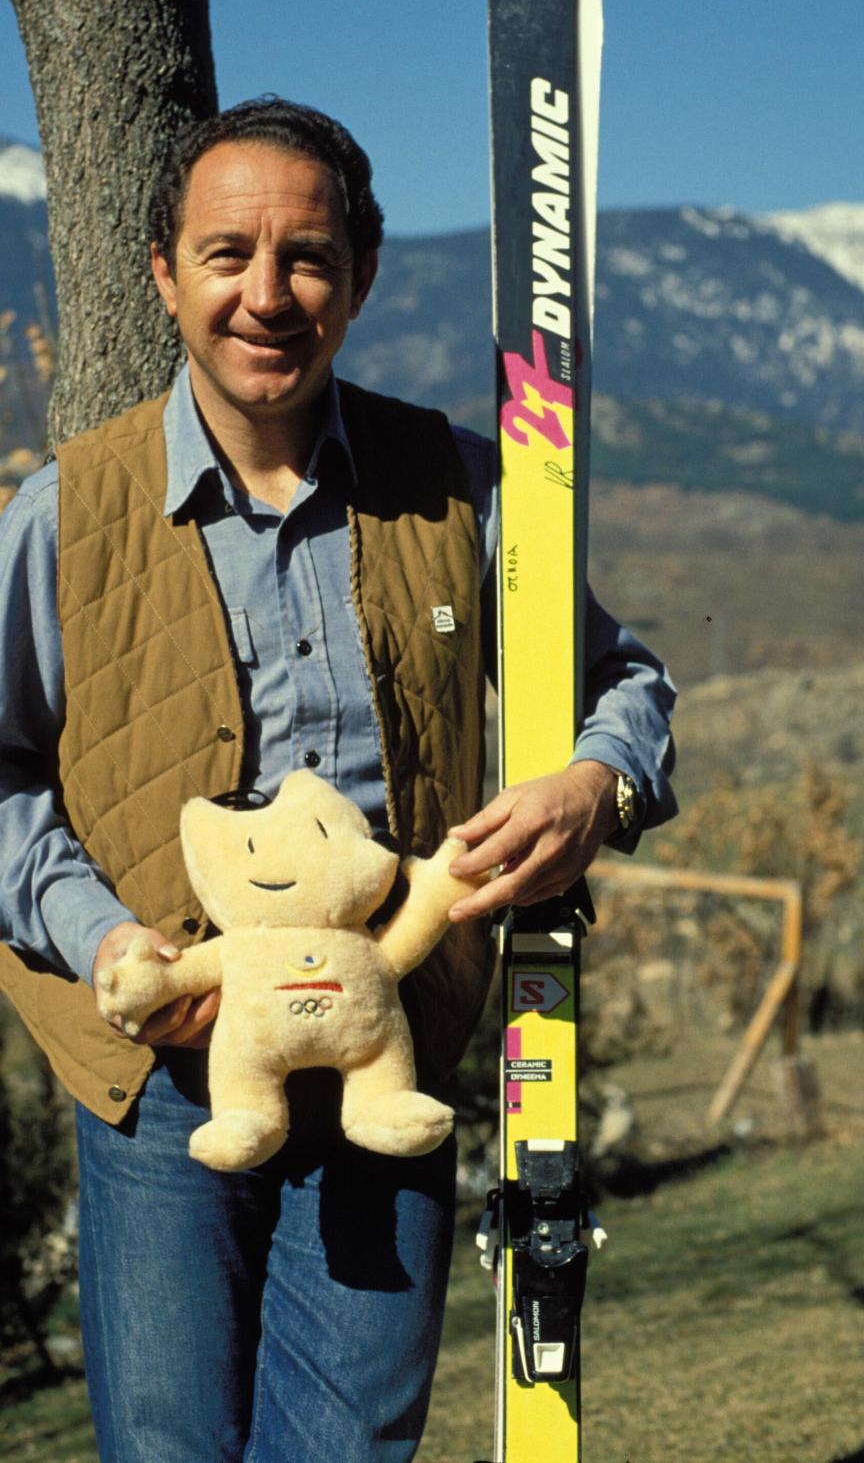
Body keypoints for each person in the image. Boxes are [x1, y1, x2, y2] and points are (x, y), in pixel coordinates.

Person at [0, 97, 676, 1462]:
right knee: (168, 1448)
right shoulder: (64, 511)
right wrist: (105, 938)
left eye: (307, 256)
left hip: (391, 1050)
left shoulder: (460, 489)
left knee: (353, 1445)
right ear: (163, 274)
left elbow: (627, 685)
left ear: (359, 277)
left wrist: (593, 786)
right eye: (227, 253)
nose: (268, 294)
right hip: (163, 1077)